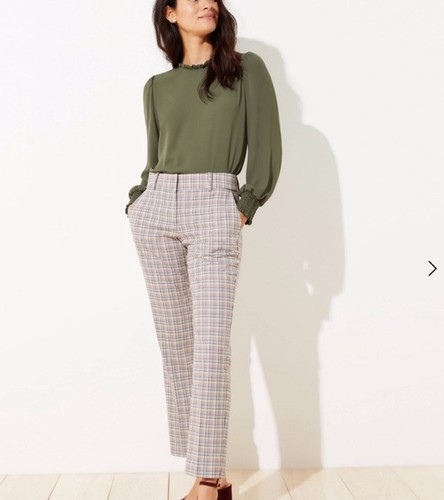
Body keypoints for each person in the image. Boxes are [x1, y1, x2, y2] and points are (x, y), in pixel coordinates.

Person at [125, 0, 282, 498]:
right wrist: (137, 201)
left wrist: (246, 204)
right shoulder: (156, 87)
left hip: (215, 202)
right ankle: (212, 472)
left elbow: (267, 144)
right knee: (178, 348)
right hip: (157, 210)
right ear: (170, 14)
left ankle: (207, 481)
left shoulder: (246, 70)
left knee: (211, 345)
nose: (206, 3)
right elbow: (153, 158)